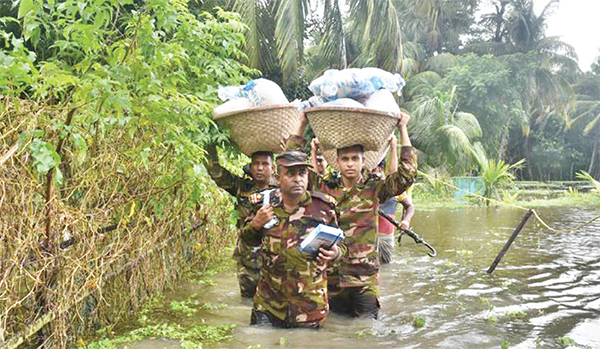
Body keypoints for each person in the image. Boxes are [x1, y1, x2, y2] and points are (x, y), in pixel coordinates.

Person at [290, 112, 417, 319]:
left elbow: (407, 174)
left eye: (354, 159)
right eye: (345, 159)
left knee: (366, 330)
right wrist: (302, 123)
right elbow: (293, 163)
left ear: (363, 161)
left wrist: (402, 129)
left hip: (363, 279)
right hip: (331, 278)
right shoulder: (324, 187)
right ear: (337, 163)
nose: (350, 164)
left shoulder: (375, 188)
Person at [242, 151, 343, 328]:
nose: (298, 179)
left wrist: (335, 253)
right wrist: (255, 224)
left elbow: (342, 245)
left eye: (302, 173)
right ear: (278, 177)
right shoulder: (264, 205)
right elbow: (247, 241)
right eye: (290, 173)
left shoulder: (324, 208)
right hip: (268, 306)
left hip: (309, 308)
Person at [204, 144, 276, 298]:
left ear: (273, 167)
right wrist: (209, 144)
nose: (260, 168)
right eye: (256, 164)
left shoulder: (283, 189)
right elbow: (216, 173)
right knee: (248, 299)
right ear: (250, 167)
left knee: (274, 301)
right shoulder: (241, 187)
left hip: (275, 257)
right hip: (248, 256)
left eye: (265, 164)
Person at [372, 135, 415, 264]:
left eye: (375, 169)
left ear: (381, 169)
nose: (373, 172)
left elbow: (410, 207)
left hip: (385, 237)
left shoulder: (393, 189)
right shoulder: (366, 187)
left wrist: (406, 221)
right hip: (367, 237)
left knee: (385, 267)